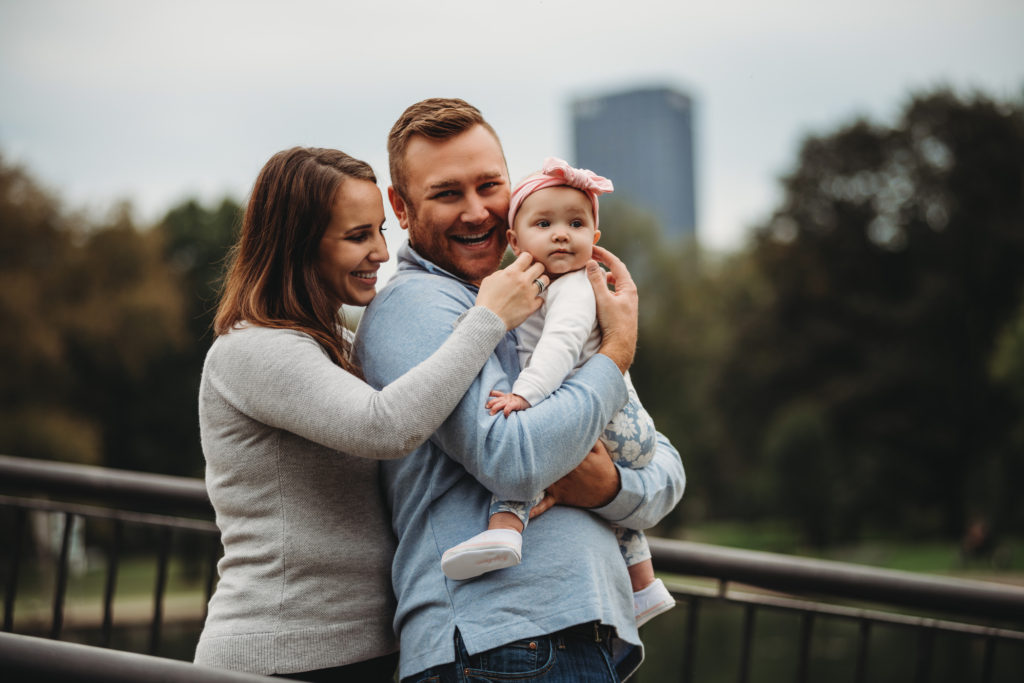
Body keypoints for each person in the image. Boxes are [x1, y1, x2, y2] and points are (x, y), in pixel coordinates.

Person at [355, 98, 686, 682]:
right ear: (400, 209)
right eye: (447, 193)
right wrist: (615, 352)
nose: (476, 211)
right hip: (501, 639)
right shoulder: (417, 305)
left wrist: (606, 487)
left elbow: (666, 471)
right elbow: (512, 458)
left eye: (489, 186)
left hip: (556, 637)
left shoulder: (536, 299)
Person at [193, 146, 550, 682]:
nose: (383, 253)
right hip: (280, 655)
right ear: (299, 246)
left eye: (381, 230)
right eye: (358, 236)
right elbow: (386, 427)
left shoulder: (335, 342)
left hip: (366, 652)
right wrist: (488, 319)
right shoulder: (253, 349)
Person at [439, 156, 676, 628]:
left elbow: (561, 347)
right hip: (624, 423)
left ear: (595, 238)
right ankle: (644, 587)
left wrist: (524, 395)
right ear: (514, 239)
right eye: (544, 223)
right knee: (584, 479)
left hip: (613, 420)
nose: (562, 234)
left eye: (576, 223)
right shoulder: (537, 286)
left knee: (533, 439)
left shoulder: (572, 287)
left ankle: (505, 527)